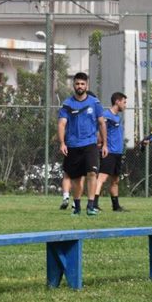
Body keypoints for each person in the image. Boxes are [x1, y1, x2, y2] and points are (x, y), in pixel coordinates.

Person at [57, 72, 107, 216]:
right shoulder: (67, 104)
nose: (80, 86)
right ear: (74, 85)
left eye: (82, 84)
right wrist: (62, 143)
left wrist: (104, 144)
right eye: (77, 84)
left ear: (87, 85)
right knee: (76, 179)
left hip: (90, 144)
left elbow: (102, 123)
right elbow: (61, 124)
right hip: (73, 145)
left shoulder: (94, 103)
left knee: (92, 173)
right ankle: (77, 206)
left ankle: (91, 206)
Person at [95, 92, 128, 212]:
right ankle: (94, 204)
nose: (125, 105)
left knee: (115, 180)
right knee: (102, 178)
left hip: (118, 153)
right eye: (124, 102)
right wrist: (102, 144)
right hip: (109, 152)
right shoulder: (106, 115)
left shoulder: (118, 117)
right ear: (117, 102)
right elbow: (99, 131)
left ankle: (116, 206)